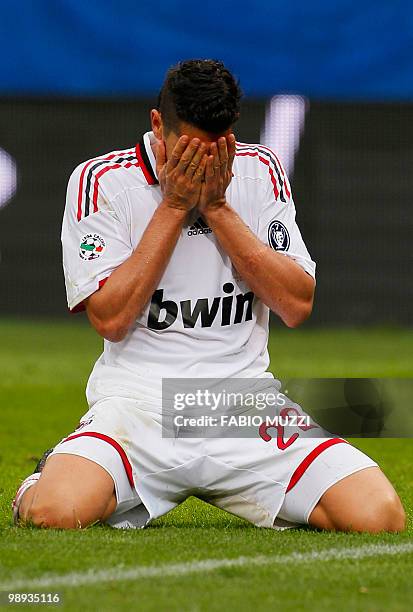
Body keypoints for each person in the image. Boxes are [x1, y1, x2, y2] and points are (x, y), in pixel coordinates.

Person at [13, 59, 405, 532]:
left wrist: (217, 208)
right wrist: (176, 206)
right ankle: (44, 477)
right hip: (139, 409)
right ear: (158, 126)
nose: (203, 165)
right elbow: (110, 319)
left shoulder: (258, 172)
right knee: (54, 512)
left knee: (378, 516)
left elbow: (298, 305)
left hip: (242, 407)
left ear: (233, 135)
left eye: (217, 150)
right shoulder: (102, 181)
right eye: (189, 150)